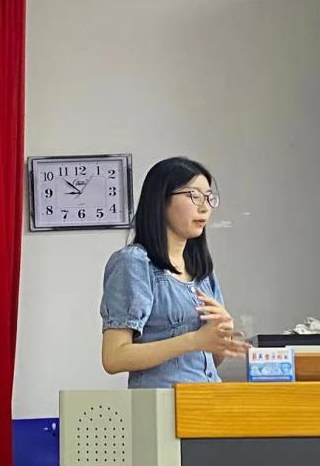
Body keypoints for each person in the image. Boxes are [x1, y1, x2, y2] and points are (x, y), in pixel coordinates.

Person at [100, 157, 250, 388]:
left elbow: (210, 360)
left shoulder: (202, 270)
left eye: (209, 198)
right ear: (161, 199)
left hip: (208, 398)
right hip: (162, 403)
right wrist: (193, 340)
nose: (204, 207)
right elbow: (114, 357)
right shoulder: (134, 263)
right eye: (194, 196)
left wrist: (223, 332)